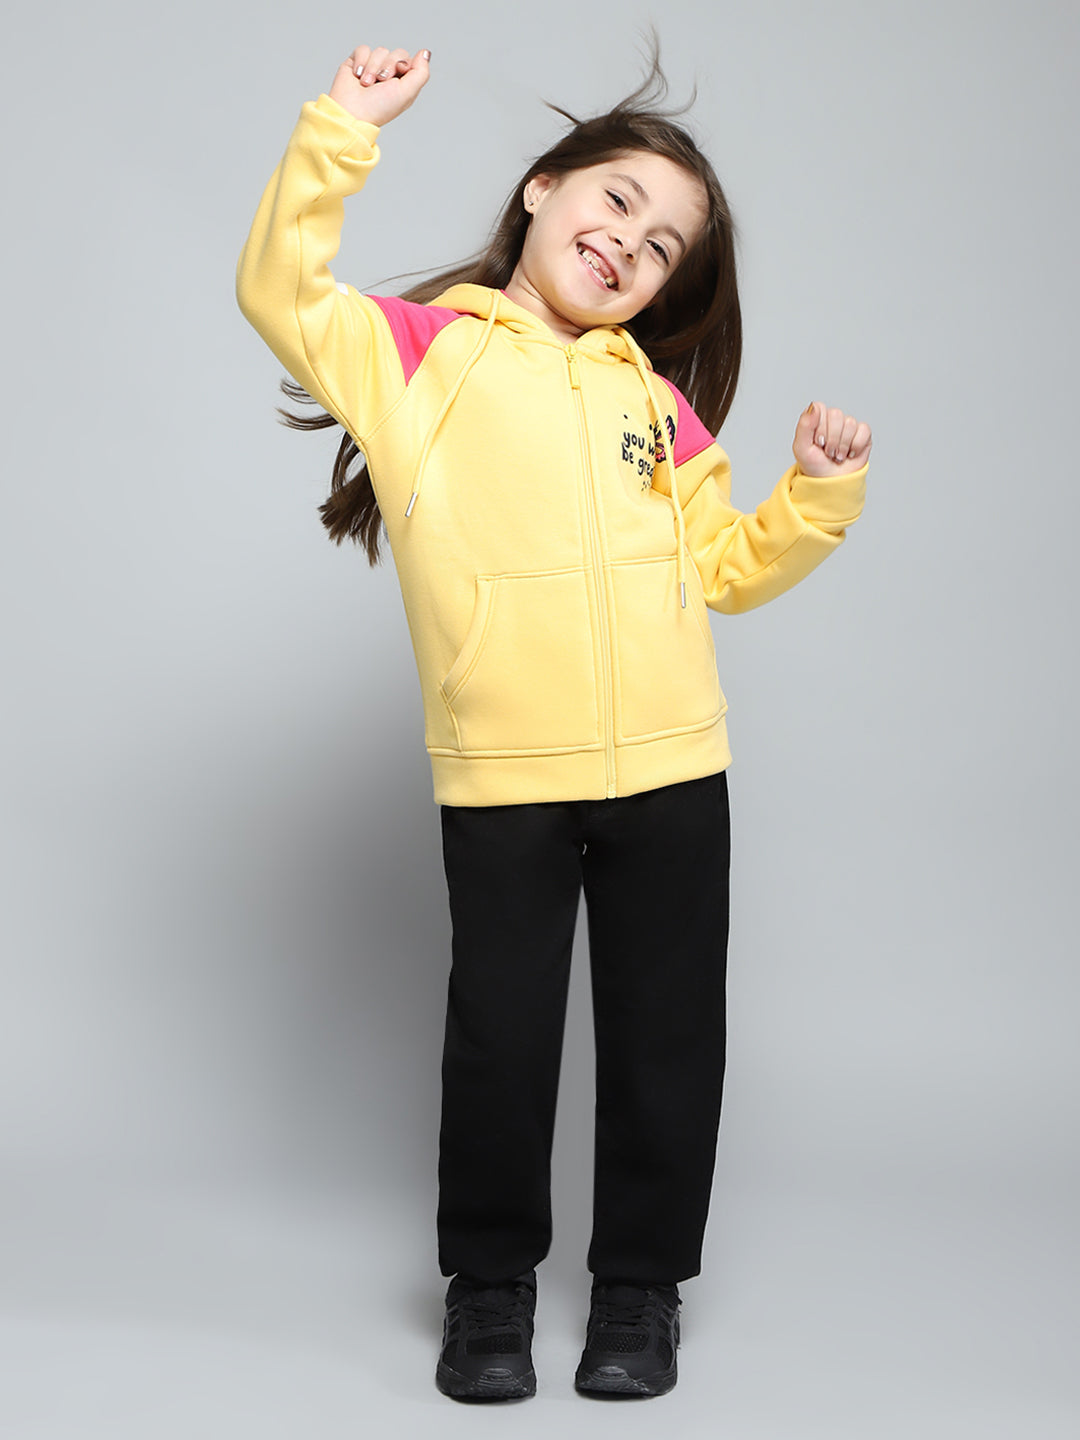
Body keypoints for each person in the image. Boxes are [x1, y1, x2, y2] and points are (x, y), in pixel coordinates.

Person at [236, 40, 871, 1403]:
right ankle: (489, 1294)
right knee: (502, 1040)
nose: (629, 243)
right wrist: (344, 125)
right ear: (542, 188)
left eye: (662, 246)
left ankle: (640, 1294)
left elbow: (726, 569)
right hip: (506, 774)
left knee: (666, 1040)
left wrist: (813, 497)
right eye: (617, 202)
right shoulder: (421, 357)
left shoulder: (656, 406)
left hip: (675, 770)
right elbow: (279, 288)